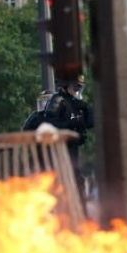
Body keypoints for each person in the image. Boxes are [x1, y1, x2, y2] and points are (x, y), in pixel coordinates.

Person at [43, 75, 94, 207]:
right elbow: (50, 124)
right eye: (75, 87)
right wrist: (70, 123)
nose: (77, 90)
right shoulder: (57, 100)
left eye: (79, 87)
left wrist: (87, 109)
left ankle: (81, 215)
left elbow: (89, 123)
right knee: (63, 182)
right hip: (60, 150)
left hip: (73, 149)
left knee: (78, 181)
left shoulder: (75, 103)